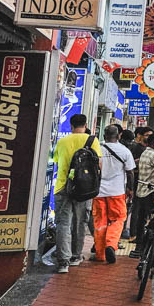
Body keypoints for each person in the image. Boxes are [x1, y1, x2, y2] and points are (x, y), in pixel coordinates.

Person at [52, 113, 101, 273]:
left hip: (63, 186)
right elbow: (98, 164)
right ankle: (76, 256)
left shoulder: (62, 141)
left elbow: (56, 161)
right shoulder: (93, 141)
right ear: (85, 125)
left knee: (63, 223)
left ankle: (63, 262)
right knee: (80, 222)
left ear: (71, 126)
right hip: (84, 188)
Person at [93, 125, 135, 263]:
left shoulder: (97, 149)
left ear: (104, 136)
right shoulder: (125, 151)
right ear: (119, 136)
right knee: (118, 219)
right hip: (117, 192)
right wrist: (130, 189)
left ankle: (100, 255)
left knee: (100, 222)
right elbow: (130, 172)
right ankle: (111, 244)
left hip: (98, 192)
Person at [131, 135, 154, 257]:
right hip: (150, 191)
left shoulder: (145, 152)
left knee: (141, 218)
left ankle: (139, 245)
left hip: (141, 189)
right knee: (153, 218)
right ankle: (149, 242)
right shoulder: (153, 155)